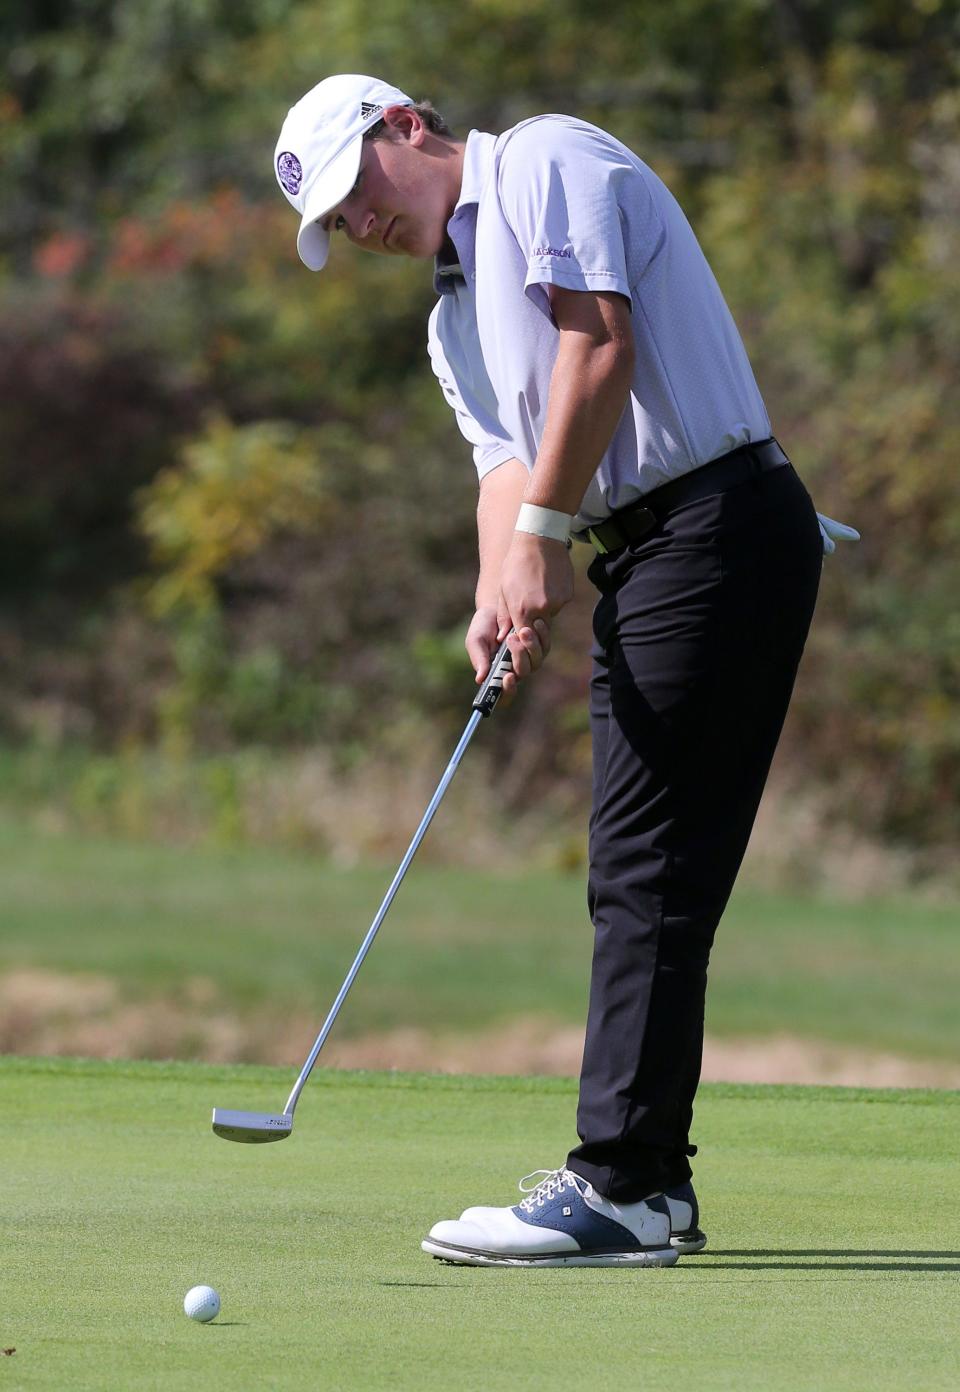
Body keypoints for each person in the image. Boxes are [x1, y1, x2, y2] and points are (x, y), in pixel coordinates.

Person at [273, 74, 858, 1268]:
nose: (359, 226)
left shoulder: (544, 160)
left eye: (355, 194)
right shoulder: (451, 316)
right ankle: (653, 1183)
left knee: (646, 868)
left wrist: (541, 542)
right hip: (646, 557)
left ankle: (624, 1185)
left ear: (404, 126)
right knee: (642, 869)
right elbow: (506, 466)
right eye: (336, 224)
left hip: (721, 523)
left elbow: (598, 346)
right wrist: (500, 585)